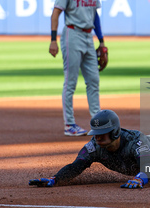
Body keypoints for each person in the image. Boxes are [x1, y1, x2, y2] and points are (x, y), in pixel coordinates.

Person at [49, 0, 105, 136]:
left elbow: (95, 15)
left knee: (93, 80)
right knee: (70, 81)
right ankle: (69, 124)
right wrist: (53, 40)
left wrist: (101, 41)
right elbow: (55, 13)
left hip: (88, 36)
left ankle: (97, 122)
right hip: (72, 34)